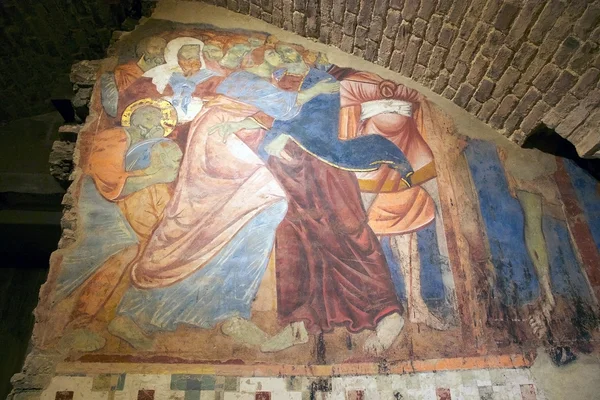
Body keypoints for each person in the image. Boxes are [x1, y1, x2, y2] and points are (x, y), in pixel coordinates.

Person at [108, 44, 339, 349]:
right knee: (254, 204)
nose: (278, 57)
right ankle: (142, 311)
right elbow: (286, 107)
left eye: (281, 56)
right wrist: (318, 88)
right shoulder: (243, 78)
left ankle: (230, 310)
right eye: (272, 52)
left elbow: (267, 115)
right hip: (216, 142)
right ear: (254, 57)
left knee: (232, 217)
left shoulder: (255, 83)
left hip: (225, 138)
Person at [256, 43, 408, 356]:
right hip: (285, 171)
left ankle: (387, 314)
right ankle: (298, 322)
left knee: (348, 232)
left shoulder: (320, 82)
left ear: (301, 56)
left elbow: (313, 125)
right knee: (293, 240)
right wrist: (268, 139)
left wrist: (280, 135)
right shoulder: (269, 86)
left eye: (287, 54)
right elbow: (263, 121)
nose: (282, 60)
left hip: (324, 166)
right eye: (275, 56)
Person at [52, 100, 182, 350]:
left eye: (156, 118)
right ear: (130, 117)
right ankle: (74, 324)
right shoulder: (114, 136)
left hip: (121, 204)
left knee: (139, 253)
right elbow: (109, 181)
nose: (151, 120)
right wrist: (154, 176)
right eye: (145, 114)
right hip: (97, 203)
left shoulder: (152, 146)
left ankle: (112, 318)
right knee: (116, 249)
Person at [336, 71, 454, 330]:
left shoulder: (409, 79)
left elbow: (420, 96)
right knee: (364, 233)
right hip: (369, 155)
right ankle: (373, 312)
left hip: (409, 150)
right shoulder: (352, 82)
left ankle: (417, 306)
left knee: (407, 230)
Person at [101, 36, 167, 118]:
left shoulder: (168, 74)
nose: (158, 52)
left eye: (162, 49)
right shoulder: (123, 71)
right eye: (154, 47)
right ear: (143, 49)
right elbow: (113, 108)